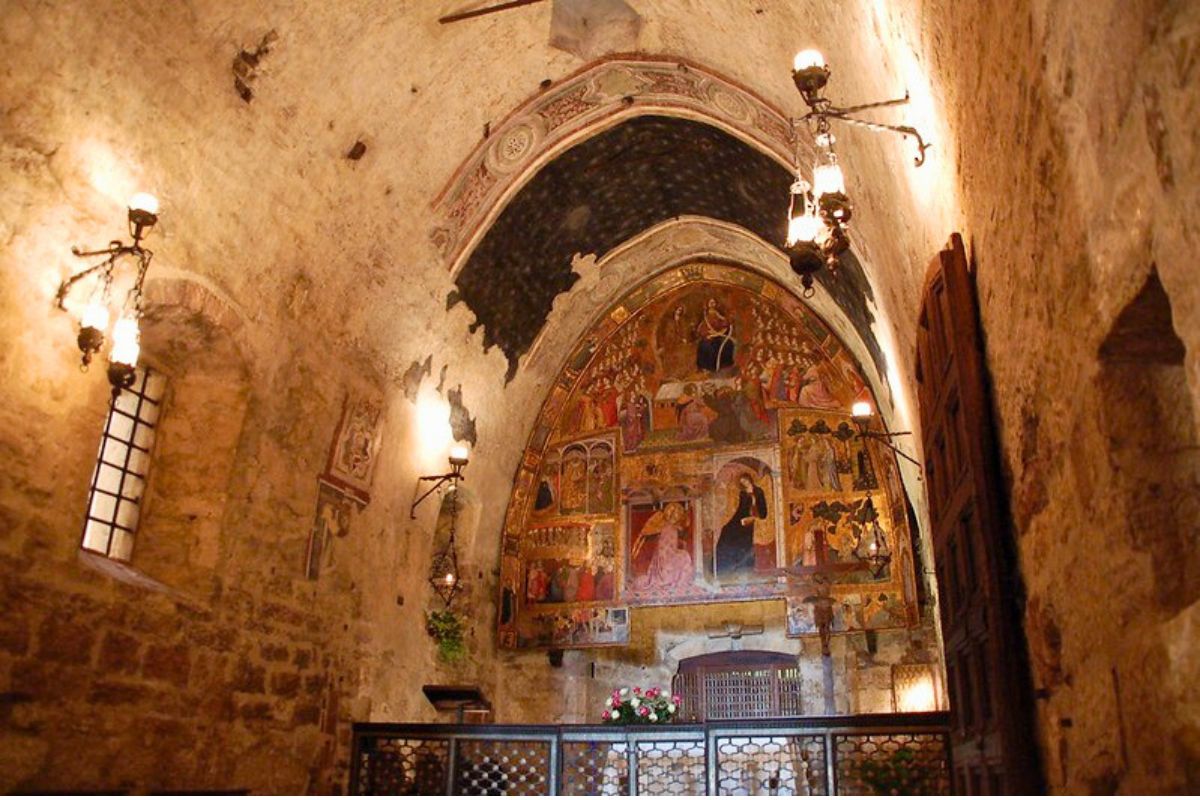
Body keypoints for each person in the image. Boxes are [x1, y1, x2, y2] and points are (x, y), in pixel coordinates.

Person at [715, 474, 768, 580]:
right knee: (726, 530)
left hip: (752, 518)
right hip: (741, 518)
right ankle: (723, 566)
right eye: (742, 482)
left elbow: (763, 512)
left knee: (742, 536)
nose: (745, 483)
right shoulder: (743, 493)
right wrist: (734, 521)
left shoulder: (759, 492)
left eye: (745, 480)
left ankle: (741, 564)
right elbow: (740, 509)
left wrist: (753, 517)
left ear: (750, 479)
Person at [695, 298, 736, 372]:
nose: (712, 304)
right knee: (705, 346)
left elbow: (726, 325)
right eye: (710, 302)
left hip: (719, 337)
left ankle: (725, 367)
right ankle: (706, 368)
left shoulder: (719, 315)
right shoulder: (705, 316)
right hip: (708, 337)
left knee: (729, 344)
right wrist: (707, 334)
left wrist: (719, 333)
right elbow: (701, 329)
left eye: (713, 302)